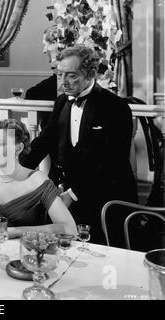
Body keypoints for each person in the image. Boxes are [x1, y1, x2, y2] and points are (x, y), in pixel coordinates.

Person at [21, 45, 138, 246]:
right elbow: (43, 143)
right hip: (66, 190)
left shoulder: (116, 108)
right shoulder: (61, 103)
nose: (63, 82)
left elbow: (111, 163)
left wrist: (73, 194)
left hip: (104, 196)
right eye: (60, 75)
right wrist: (16, 171)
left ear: (90, 74)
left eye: (71, 75)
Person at [0, 119, 77, 239]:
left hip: (27, 253)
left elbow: (70, 229)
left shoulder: (38, 181)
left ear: (18, 148)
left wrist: (14, 231)